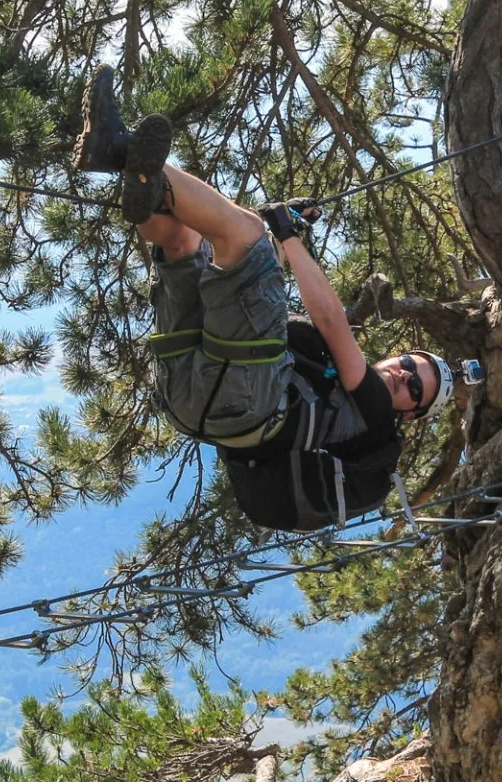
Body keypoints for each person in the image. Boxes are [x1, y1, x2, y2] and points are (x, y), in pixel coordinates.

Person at [75, 67, 458, 531]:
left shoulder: (375, 413)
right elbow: (248, 292)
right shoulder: (330, 384)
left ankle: (118, 149)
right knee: (184, 243)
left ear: (412, 413)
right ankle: (130, 165)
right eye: (410, 363)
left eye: (416, 388)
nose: (403, 375)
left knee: (246, 238)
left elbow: (332, 319)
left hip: (248, 403)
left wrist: (284, 234)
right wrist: (277, 233)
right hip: (194, 403)